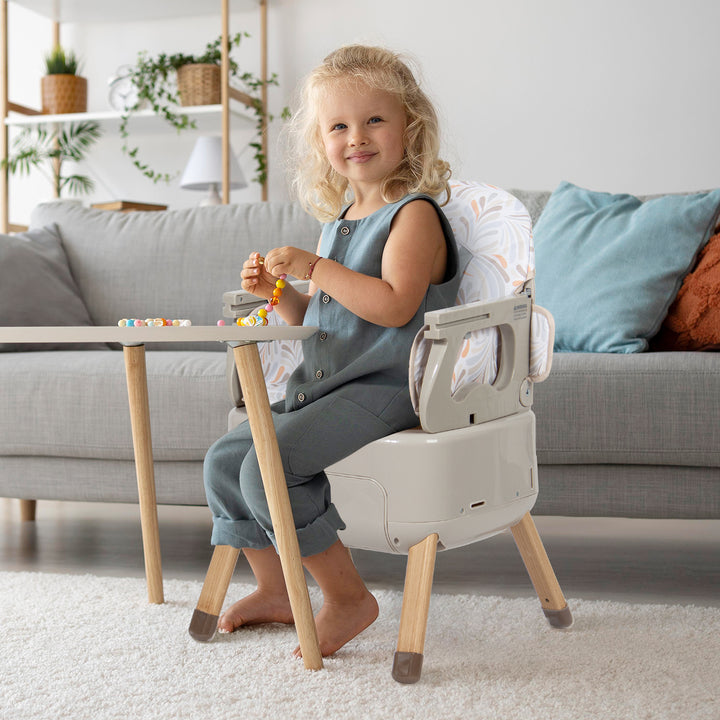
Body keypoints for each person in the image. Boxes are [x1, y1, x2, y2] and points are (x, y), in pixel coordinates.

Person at [203, 44, 468, 658]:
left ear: (410, 128)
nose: (357, 137)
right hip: (329, 384)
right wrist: (279, 295)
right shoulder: (341, 219)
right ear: (321, 141)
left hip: (386, 388)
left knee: (270, 465)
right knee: (225, 459)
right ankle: (276, 589)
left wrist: (316, 267)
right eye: (339, 126)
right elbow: (325, 320)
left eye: (374, 120)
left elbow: (394, 306)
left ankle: (348, 598)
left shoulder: (413, 216)